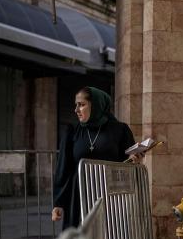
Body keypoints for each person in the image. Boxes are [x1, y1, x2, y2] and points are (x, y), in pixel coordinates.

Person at [52, 86, 139, 229]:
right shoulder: (72, 131)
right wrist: (58, 203)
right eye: (76, 105)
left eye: (81, 104)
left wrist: (134, 159)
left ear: (97, 105)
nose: (76, 110)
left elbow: (129, 159)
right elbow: (64, 168)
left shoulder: (120, 130)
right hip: (78, 195)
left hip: (109, 196)